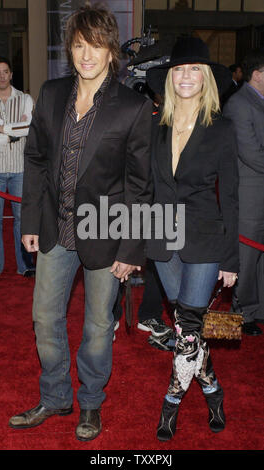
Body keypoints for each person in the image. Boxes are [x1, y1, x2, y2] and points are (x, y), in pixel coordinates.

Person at [8, 4, 152, 442]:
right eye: (78, 45)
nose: (86, 55)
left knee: (96, 327)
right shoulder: (51, 94)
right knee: (45, 318)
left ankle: (90, 402)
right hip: (54, 229)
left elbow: (139, 187)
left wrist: (130, 250)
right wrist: (29, 220)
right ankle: (55, 398)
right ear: (70, 50)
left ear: (112, 52)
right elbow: (34, 160)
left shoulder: (133, 106)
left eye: (96, 46)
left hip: (105, 233)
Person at [146, 37, 239, 441]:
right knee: (191, 332)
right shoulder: (155, 124)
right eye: (179, 70)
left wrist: (231, 259)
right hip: (161, 238)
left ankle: (170, 406)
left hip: (204, 240)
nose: (186, 77)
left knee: (186, 327)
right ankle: (213, 391)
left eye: (194, 70)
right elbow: (143, 188)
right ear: (170, 78)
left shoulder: (222, 128)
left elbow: (231, 196)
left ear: (205, 79)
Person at [224, 49, 264, 336]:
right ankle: (242, 312)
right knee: (247, 256)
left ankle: (258, 308)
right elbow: (251, 153)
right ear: (258, 74)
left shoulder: (257, 102)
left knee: (260, 256)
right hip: (249, 195)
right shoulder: (239, 103)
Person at [0, 57, 35, 277]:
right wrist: (14, 130)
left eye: (4, 71)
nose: (1, 76)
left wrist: (2, 129)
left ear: (11, 74)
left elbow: (30, 128)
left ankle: (25, 265)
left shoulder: (25, 99)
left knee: (22, 220)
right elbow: (21, 129)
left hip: (20, 169)